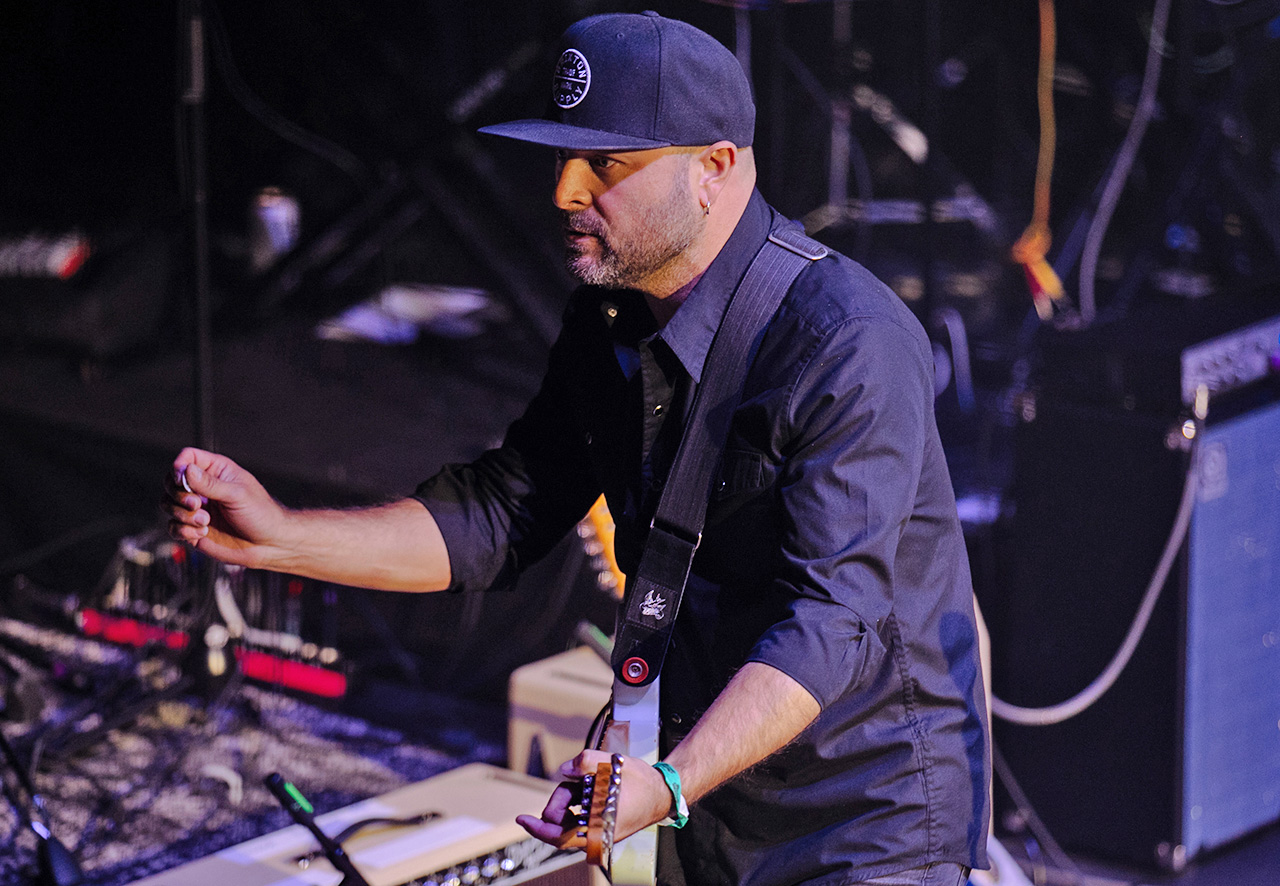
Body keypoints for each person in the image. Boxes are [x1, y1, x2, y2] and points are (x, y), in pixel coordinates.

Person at [164, 12, 990, 886]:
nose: (564, 189)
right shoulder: (609, 322)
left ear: (714, 169)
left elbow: (830, 620)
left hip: (873, 823)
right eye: (560, 157)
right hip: (708, 802)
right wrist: (281, 535)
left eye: (607, 162)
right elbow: (497, 514)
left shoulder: (847, 340)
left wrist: (667, 781)